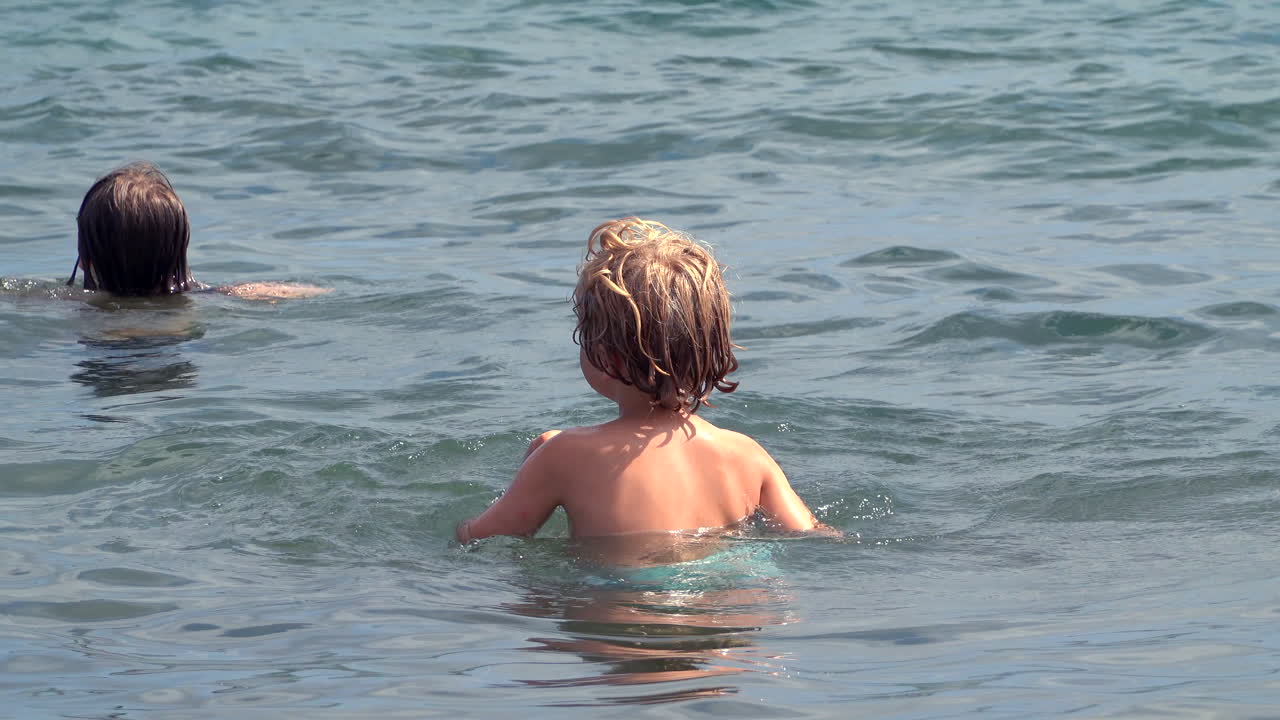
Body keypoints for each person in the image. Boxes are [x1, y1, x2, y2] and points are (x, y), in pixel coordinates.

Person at [457, 218, 832, 551]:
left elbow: (484, 537)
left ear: (607, 358)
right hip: (725, 606)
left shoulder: (563, 455)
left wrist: (534, 469)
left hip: (620, 608)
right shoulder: (747, 455)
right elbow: (813, 537)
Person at [68, 162, 327, 300]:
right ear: (179, 249)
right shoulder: (213, 296)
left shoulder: (75, 305)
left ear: (85, 260)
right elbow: (310, 291)